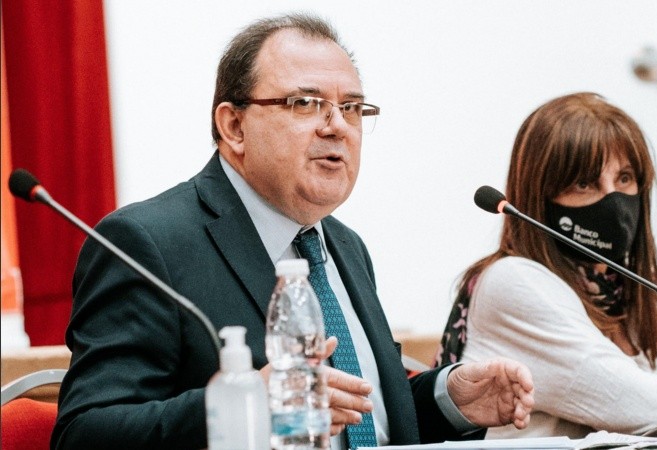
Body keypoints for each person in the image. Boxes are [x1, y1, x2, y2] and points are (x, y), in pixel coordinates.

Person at [51, 13, 534, 450]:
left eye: (352, 108)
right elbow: (85, 434)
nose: (337, 127)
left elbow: (362, 422)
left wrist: (448, 399)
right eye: (306, 103)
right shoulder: (146, 243)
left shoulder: (344, 245)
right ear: (234, 126)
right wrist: (250, 405)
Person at [435, 92, 657, 439]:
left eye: (624, 178)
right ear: (539, 196)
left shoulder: (628, 288)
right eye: (585, 183)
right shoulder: (514, 282)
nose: (614, 201)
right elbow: (647, 410)